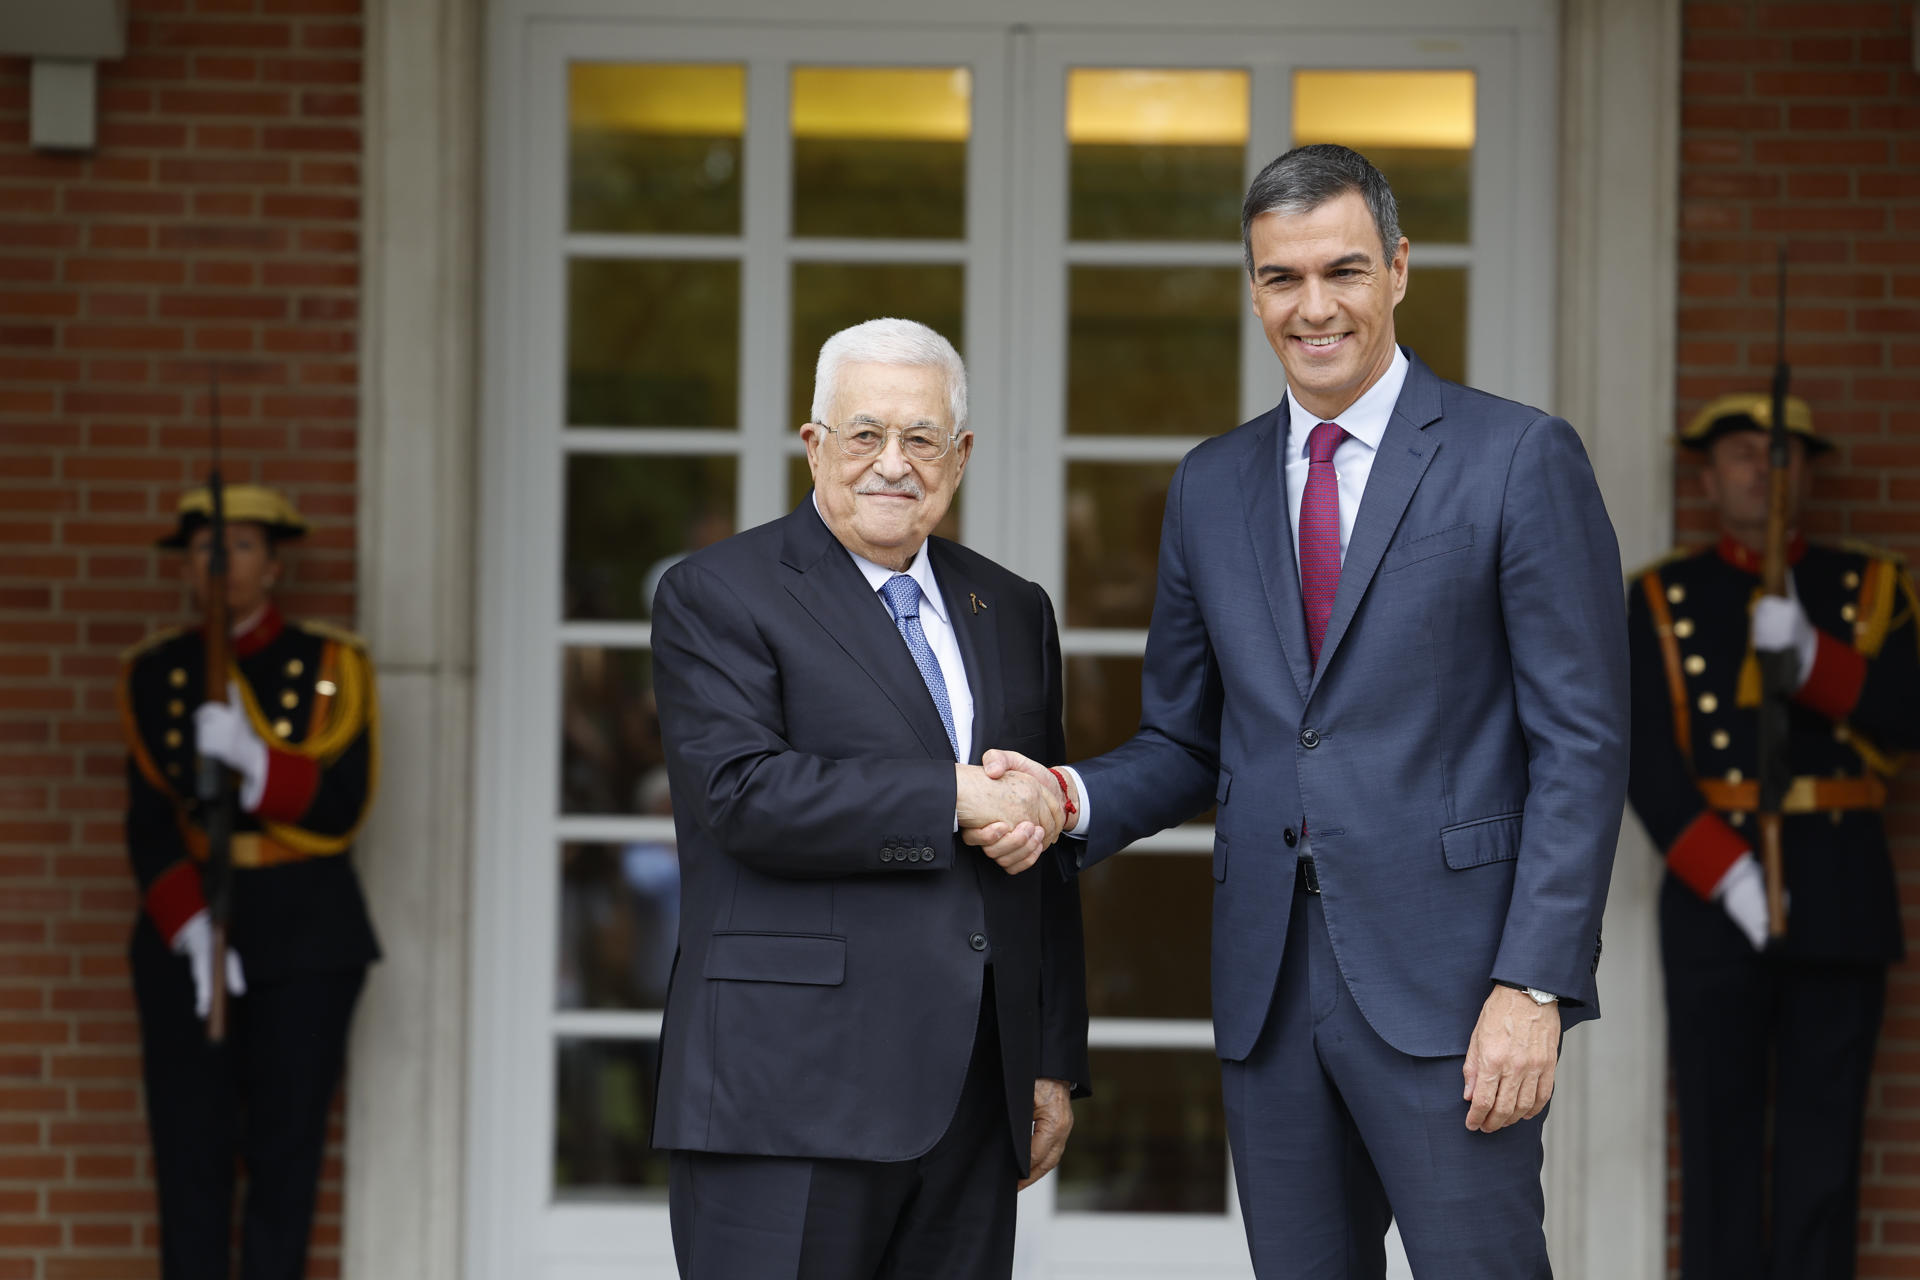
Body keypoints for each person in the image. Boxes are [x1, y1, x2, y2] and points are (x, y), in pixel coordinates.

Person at [973, 143, 1629, 1277]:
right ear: (1253, 284)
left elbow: (1581, 744)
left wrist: (1535, 982)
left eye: (1344, 270)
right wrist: (1064, 793)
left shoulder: (1516, 456)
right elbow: (1185, 737)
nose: (1313, 306)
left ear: (1400, 269)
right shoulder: (1210, 483)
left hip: (1457, 993)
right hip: (1270, 997)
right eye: (1281, 276)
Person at [648, 318, 1090, 1280]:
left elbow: (1043, 853)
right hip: (787, 1095)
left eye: (922, 438)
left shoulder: (1012, 608)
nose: (893, 463)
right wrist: (951, 798)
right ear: (815, 445)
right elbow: (743, 795)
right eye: (865, 434)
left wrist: (1050, 1059)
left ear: (959, 456)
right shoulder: (718, 593)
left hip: (975, 1094)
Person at [1626, 394, 1919, 1280]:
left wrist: (1819, 661)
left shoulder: (1870, 587)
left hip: (1838, 884)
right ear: (1709, 477)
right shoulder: (1661, 595)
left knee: (1822, 1152)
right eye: (1744, 453)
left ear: (1809, 474)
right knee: (1716, 1143)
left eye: (1780, 453)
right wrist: (1729, 874)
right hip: (1718, 898)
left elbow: (1906, 719)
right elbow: (1642, 759)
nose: (1763, 469)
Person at [118, 484, 380, 1280]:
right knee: (189, 1160)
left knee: (284, 1158)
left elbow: (342, 805)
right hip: (190, 932)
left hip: (303, 932)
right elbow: (148, 820)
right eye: (204, 549)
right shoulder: (157, 670)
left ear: (272, 565)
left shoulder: (330, 664)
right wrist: (193, 930)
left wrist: (255, 761)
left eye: (238, 547)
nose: (220, 564)